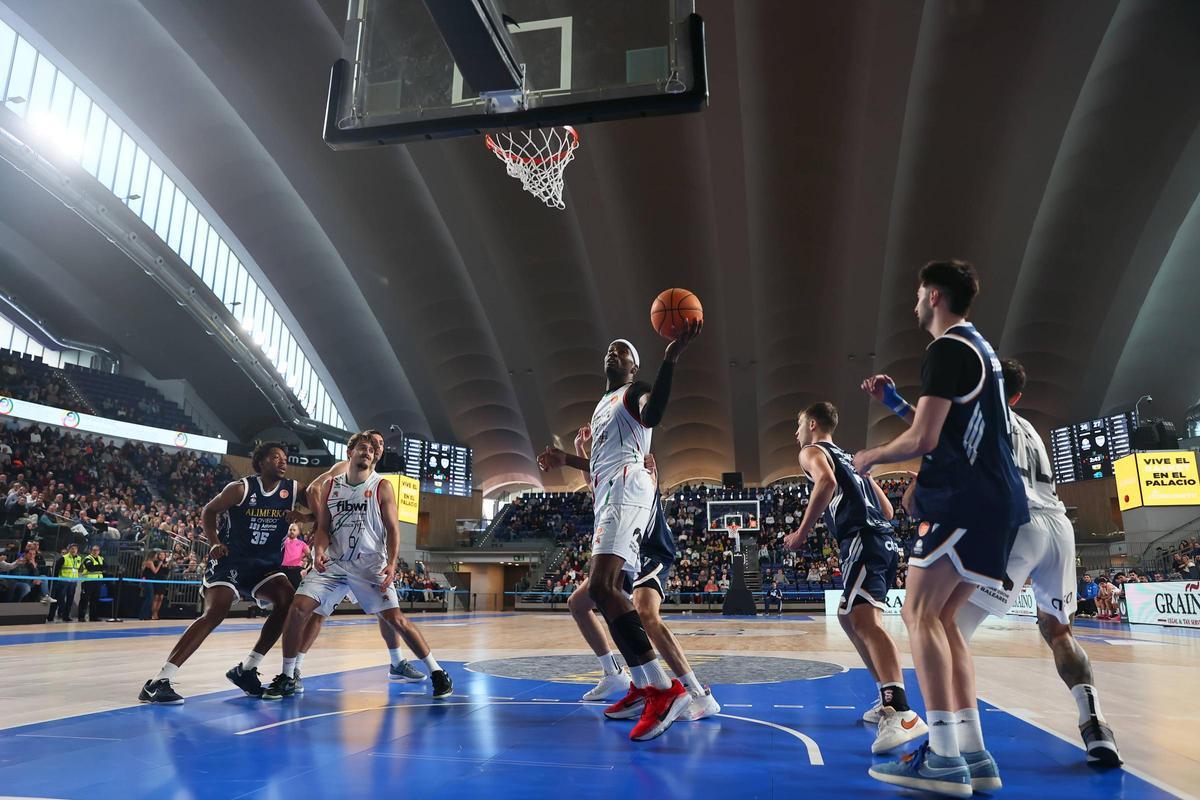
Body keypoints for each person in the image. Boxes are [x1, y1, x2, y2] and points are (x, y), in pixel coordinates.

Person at [856, 260, 1028, 796]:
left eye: (916, 292)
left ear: (933, 295)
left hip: (965, 500)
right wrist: (894, 404)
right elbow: (948, 425)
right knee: (947, 620)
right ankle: (974, 753)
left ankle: (943, 757)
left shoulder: (946, 348)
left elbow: (925, 440)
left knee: (919, 613)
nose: (913, 301)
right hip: (996, 503)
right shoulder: (979, 350)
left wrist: (871, 456)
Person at [945, 359, 1120, 765]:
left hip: (1017, 525)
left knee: (948, 629)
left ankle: (958, 740)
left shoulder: (979, 414)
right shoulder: (1031, 430)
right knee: (1058, 632)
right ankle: (1096, 726)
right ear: (1018, 396)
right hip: (1058, 527)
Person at [538, 323, 702, 742]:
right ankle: (648, 686)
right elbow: (598, 467)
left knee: (602, 585)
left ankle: (664, 690)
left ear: (634, 367)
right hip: (609, 492)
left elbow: (654, 414)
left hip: (629, 487)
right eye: (610, 350)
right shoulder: (601, 406)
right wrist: (567, 458)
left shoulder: (634, 392)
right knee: (601, 593)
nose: (613, 353)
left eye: (622, 351)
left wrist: (671, 357)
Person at [263, 432, 451, 700]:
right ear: (350, 453)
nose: (367, 453)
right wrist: (318, 550)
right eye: (362, 448)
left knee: (395, 619)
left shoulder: (382, 486)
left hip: (369, 565)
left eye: (372, 451)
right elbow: (324, 527)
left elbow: (393, 529)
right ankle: (288, 675)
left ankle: (437, 672)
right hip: (335, 563)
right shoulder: (331, 486)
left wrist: (393, 562)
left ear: (374, 459)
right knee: (298, 609)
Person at [785, 402, 926, 755]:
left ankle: (901, 710)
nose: (796, 432)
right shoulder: (851, 458)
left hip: (863, 539)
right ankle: (886, 697)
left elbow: (827, 481)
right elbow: (889, 511)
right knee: (849, 616)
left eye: (799, 424)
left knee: (865, 620)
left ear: (812, 423)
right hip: (881, 539)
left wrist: (802, 532)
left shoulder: (811, 451)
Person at [564, 437, 719, 723]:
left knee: (646, 613)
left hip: (650, 550)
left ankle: (699, 693)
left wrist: (569, 457)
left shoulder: (638, 469)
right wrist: (580, 450)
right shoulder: (609, 477)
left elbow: (618, 470)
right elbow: (594, 480)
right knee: (579, 603)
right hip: (625, 553)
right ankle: (615, 675)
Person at [138, 443, 307, 704]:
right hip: (232, 562)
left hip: (265, 566)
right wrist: (214, 541)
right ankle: (158, 681)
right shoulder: (240, 488)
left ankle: (247, 668)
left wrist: (305, 518)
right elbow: (209, 510)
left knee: (288, 601)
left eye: (285, 458)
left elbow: (323, 506)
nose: (283, 462)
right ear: (261, 462)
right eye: (276, 458)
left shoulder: (292, 490)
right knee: (216, 612)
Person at [296, 430, 426, 685]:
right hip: (336, 554)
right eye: (374, 443)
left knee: (385, 612)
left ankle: (397, 662)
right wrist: (321, 521)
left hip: (366, 559)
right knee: (319, 613)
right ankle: (296, 667)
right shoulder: (346, 466)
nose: (377, 447)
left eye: (380, 445)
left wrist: (314, 518)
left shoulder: (378, 481)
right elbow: (314, 489)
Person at [50, 543, 82, 622]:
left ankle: (66, 616)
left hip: (73, 582)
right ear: (69, 549)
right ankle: (51, 616)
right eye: (72, 548)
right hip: (63, 582)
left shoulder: (79, 558)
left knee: (70, 600)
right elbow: (56, 570)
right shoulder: (63, 558)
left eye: (75, 548)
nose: (74, 550)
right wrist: (56, 581)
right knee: (59, 599)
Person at [80, 544, 107, 622]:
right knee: (84, 600)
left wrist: (99, 567)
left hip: (98, 582)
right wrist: (100, 567)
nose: (95, 552)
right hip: (88, 581)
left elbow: (106, 567)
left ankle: (93, 617)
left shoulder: (101, 558)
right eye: (94, 550)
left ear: (99, 551)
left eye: (97, 550)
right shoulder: (87, 558)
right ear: (91, 551)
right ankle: (81, 617)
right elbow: (91, 568)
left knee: (95, 600)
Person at [280, 524, 309, 588]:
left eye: (294, 530)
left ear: (298, 532)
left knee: (295, 591)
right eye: (290, 530)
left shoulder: (302, 544)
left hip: (297, 571)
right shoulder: (283, 542)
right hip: (283, 570)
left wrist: (306, 569)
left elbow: (310, 557)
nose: (292, 531)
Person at [141, 551, 167, 620]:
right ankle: (144, 615)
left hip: (151, 581)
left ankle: (146, 615)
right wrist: (159, 565)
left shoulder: (150, 562)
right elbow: (155, 571)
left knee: (150, 598)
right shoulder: (150, 562)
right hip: (149, 581)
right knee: (150, 598)